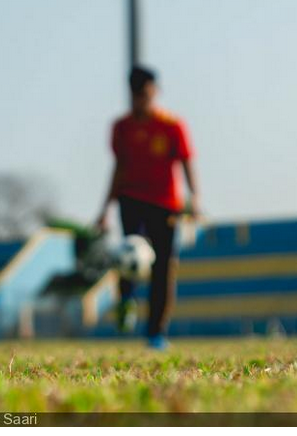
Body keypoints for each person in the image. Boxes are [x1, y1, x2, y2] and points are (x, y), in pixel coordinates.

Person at [97, 66, 200, 350]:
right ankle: (126, 299)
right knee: (129, 253)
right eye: (137, 94)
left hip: (166, 206)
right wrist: (104, 209)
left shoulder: (172, 126)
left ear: (155, 91)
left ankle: (156, 332)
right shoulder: (122, 127)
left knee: (163, 269)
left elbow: (186, 161)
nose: (142, 99)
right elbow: (117, 168)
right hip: (131, 200)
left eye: (146, 93)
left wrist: (195, 198)